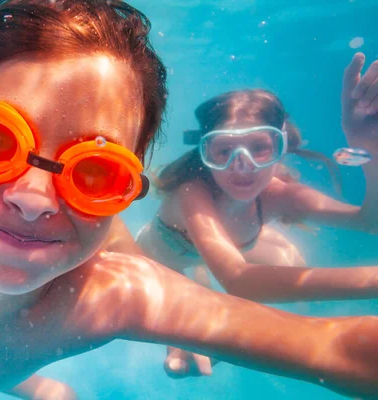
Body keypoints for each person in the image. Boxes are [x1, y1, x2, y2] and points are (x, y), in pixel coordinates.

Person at [0, 0, 377, 398]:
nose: (34, 197)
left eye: (94, 173)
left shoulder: (117, 297)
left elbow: (332, 347)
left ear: (128, 185)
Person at [136, 53, 378, 378]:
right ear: (205, 154)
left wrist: (369, 149)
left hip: (224, 255)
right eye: (224, 151)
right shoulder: (192, 192)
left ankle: (207, 302)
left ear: (282, 146)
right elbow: (238, 279)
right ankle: (201, 297)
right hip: (163, 260)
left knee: (291, 262)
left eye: (259, 148)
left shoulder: (279, 196)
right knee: (159, 315)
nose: (242, 166)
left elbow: (369, 222)